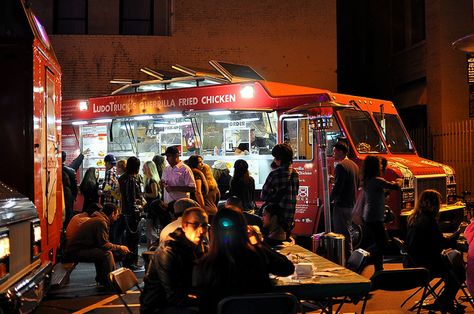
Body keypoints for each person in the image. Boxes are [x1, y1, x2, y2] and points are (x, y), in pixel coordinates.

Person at [194, 206, 294, 314]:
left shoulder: (205, 264)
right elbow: (287, 268)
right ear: (243, 229)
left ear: (213, 231)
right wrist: (259, 244)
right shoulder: (257, 255)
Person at [140, 207, 209, 313]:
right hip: (158, 306)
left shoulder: (198, 246)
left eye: (204, 225)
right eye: (195, 225)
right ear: (184, 226)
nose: (201, 231)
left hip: (179, 299)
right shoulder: (168, 251)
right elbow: (173, 295)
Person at [406, 190, 465, 312]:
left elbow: (436, 241)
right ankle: (444, 301)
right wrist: (458, 233)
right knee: (459, 270)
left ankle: (445, 300)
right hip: (425, 265)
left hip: (413, 261)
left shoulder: (416, 218)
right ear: (434, 205)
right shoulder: (428, 221)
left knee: (452, 267)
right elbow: (442, 244)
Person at [64, 203, 130, 289]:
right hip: (74, 252)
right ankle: (111, 282)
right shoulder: (101, 222)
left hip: (76, 249)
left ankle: (104, 279)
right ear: (112, 213)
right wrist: (120, 247)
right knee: (107, 254)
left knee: (102, 252)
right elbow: (104, 245)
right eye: (116, 215)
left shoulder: (99, 220)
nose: (117, 218)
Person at [361, 155, 400, 272]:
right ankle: (362, 255)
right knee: (382, 243)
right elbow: (395, 186)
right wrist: (399, 181)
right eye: (379, 164)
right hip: (374, 217)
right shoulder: (377, 180)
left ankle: (379, 269)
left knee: (378, 243)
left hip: (370, 216)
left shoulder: (369, 180)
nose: (381, 166)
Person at [260, 143, 299, 234]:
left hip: (275, 223)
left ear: (280, 159)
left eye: (275, 157)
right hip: (288, 222)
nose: (274, 160)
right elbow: (295, 193)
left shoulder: (275, 174)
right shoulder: (295, 174)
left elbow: (263, 196)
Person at [330, 142, 359, 260]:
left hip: (341, 205)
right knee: (348, 232)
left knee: (342, 234)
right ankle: (348, 257)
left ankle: (346, 260)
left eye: (334, 151)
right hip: (351, 204)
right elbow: (354, 184)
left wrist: (329, 200)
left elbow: (338, 188)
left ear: (341, 152)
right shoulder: (354, 165)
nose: (333, 154)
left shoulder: (341, 166)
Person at [118, 156, 144, 270]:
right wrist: (138, 209)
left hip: (125, 211)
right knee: (133, 238)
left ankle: (129, 261)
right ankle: (131, 261)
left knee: (128, 238)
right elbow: (131, 198)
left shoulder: (123, 178)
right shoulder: (131, 179)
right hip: (131, 213)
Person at [143, 161, 162, 248]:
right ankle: (149, 248)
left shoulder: (152, 181)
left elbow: (155, 194)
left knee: (149, 231)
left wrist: (144, 194)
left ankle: (161, 242)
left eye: (144, 167)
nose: (143, 169)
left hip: (152, 208)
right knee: (149, 231)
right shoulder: (149, 180)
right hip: (151, 207)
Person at [62, 151, 78, 227]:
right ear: (65, 159)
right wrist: (74, 196)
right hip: (68, 195)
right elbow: (75, 187)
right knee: (68, 214)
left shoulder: (53, 170)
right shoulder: (71, 171)